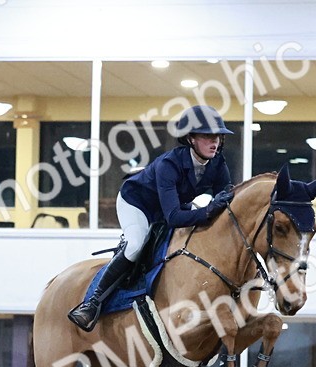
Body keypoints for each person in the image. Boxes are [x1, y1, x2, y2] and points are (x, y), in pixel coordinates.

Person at [67, 104, 235, 332]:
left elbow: (226, 203)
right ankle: (92, 303)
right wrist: (207, 211)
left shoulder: (218, 164)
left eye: (217, 136)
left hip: (170, 206)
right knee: (136, 245)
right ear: (191, 138)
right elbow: (174, 217)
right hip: (137, 203)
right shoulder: (169, 164)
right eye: (207, 136)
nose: (214, 142)